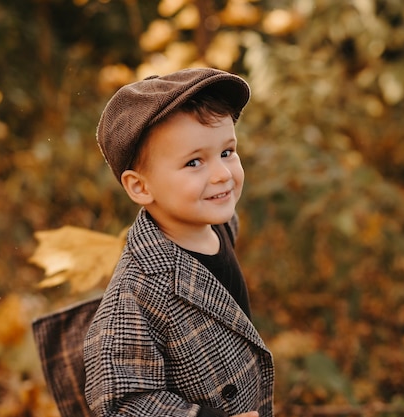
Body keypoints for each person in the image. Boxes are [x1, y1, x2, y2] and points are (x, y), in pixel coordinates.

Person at [83, 68, 274, 417]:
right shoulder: (138, 291)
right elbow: (121, 403)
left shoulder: (219, 225)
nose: (221, 174)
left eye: (227, 152)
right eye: (194, 162)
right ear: (141, 187)